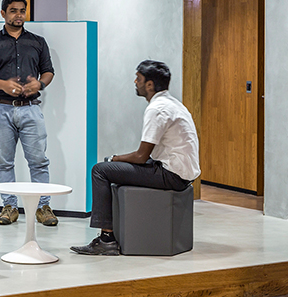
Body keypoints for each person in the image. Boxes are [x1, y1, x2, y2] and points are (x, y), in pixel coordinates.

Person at [71, 60, 200, 255]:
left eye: (138, 79)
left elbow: (141, 156)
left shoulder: (157, 109)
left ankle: (106, 239)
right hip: (181, 172)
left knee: (100, 170)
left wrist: (113, 159)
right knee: (113, 166)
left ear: (149, 84)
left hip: (171, 176)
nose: (134, 82)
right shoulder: (173, 104)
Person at [0, 0, 58, 227]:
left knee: (39, 161)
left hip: (31, 109)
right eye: (13, 11)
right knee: (3, 162)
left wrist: (40, 84)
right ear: (3, 14)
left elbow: (48, 71)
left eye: (22, 11)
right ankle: (9, 206)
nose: (18, 15)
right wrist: (3, 85)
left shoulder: (38, 42)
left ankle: (43, 207)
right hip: (0, 110)